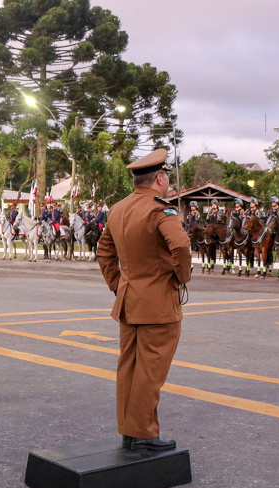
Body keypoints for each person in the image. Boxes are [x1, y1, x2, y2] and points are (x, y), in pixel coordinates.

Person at [96, 148, 191, 452]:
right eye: (166, 179)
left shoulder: (118, 209)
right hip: (159, 305)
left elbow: (104, 252)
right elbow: (181, 246)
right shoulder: (160, 210)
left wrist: (118, 284)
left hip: (128, 302)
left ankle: (129, 430)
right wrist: (180, 278)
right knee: (150, 371)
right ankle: (145, 434)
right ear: (160, 179)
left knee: (129, 368)